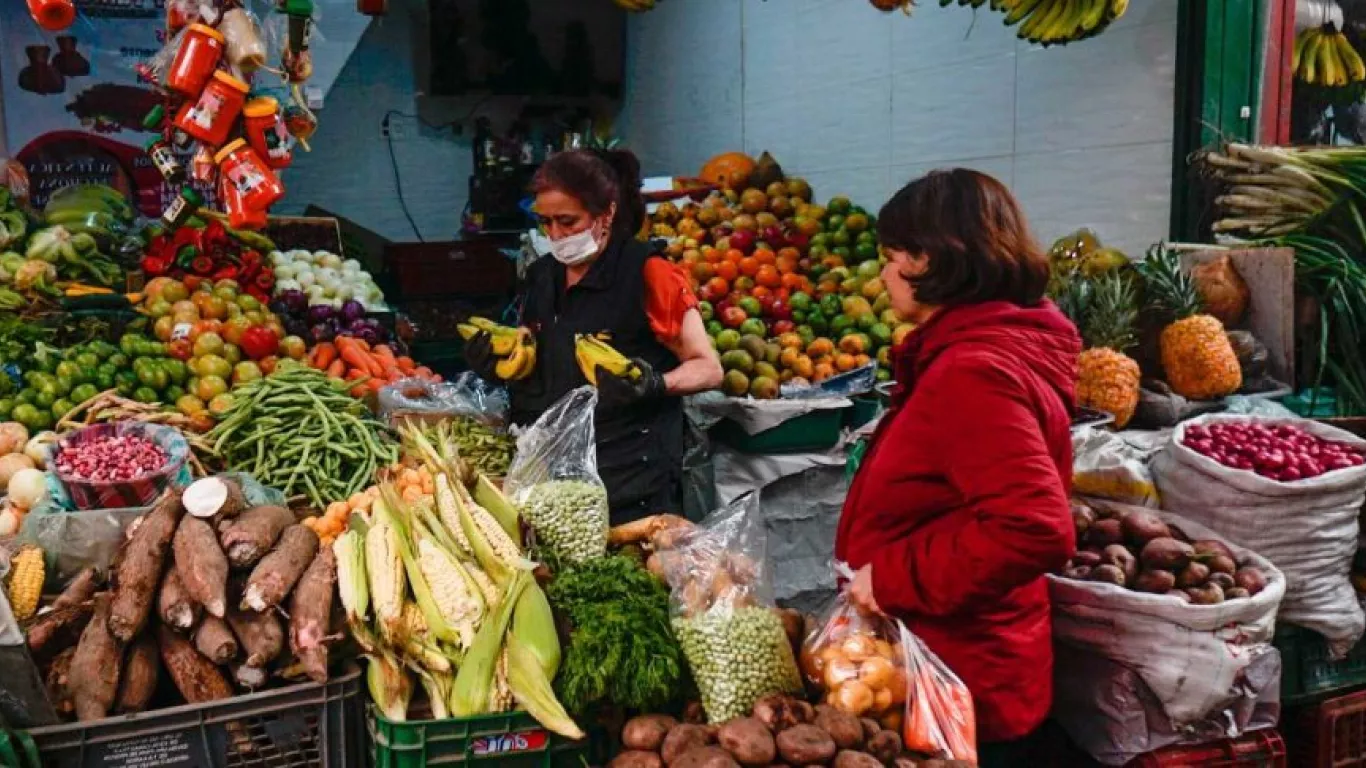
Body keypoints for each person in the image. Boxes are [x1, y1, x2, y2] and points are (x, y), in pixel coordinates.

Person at [835, 169, 1079, 767]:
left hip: (966, 678)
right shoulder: (972, 352)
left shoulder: (973, 372)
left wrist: (890, 578)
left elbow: (1033, 527)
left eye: (892, 258)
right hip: (962, 661)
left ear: (932, 260)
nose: (884, 274)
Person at [465, 148, 723, 524]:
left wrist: (655, 384)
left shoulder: (648, 272)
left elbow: (708, 368)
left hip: (631, 480)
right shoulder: (542, 277)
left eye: (568, 221)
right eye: (545, 222)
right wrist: (497, 365)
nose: (555, 234)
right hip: (556, 478)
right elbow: (540, 357)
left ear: (607, 215)